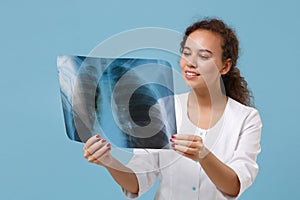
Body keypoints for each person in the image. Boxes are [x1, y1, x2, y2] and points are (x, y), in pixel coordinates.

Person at [83, 18, 262, 199]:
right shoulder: (161, 109)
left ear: (225, 66)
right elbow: (138, 181)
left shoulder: (246, 118)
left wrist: (204, 156)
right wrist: (109, 162)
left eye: (204, 56)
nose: (190, 63)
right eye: (187, 53)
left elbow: (234, 186)